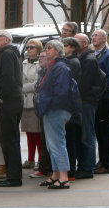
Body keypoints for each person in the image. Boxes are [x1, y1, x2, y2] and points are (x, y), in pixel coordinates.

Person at [38, 40, 78, 190]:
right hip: (51, 109)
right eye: (46, 48)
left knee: (57, 144)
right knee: (51, 144)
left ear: (58, 51)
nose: (46, 50)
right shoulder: (53, 66)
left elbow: (61, 92)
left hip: (56, 109)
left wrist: (47, 104)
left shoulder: (60, 67)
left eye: (50, 48)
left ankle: (63, 178)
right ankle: (55, 175)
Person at [0, 29, 23, 187]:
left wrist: (1, 97)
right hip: (13, 100)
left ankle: (14, 176)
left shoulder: (6, 54)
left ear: (6, 39)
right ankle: (13, 174)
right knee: (11, 139)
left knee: (9, 140)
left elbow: (8, 78)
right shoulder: (11, 53)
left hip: (9, 101)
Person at [74, 33, 102, 179]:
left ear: (84, 43)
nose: (73, 45)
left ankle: (87, 167)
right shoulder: (83, 58)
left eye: (76, 42)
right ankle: (83, 165)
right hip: (83, 101)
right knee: (83, 134)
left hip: (87, 102)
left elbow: (84, 84)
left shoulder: (89, 60)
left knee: (87, 135)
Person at [92, 29, 109, 174]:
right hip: (97, 99)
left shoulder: (108, 56)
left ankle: (107, 164)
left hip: (106, 99)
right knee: (99, 132)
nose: (94, 38)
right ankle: (101, 160)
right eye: (93, 35)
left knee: (106, 132)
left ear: (104, 39)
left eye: (97, 35)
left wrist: (99, 92)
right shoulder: (95, 54)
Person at [29, 50, 52, 178]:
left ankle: (46, 168)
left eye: (43, 56)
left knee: (47, 140)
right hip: (41, 108)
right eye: (40, 56)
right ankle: (45, 167)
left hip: (47, 109)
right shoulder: (41, 71)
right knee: (42, 139)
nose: (40, 58)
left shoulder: (49, 71)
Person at [21, 39, 43, 170]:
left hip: (34, 101)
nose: (29, 49)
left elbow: (37, 83)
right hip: (24, 102)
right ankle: (30, 158)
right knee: (29, 131)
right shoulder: (23, 63)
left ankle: (40, 159)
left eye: (32, 47)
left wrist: (21, 88)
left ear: (38, 50)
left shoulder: (40, 64)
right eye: (28, 47)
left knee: (37, 132)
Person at [62, 37, 82, 180]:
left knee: (70, 140)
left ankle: (71, 170)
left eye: (66, 45)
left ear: (73, 47)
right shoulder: (68, 62)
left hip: (71, 107)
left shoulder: (72, 63)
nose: (63, 47)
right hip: (70, 106)